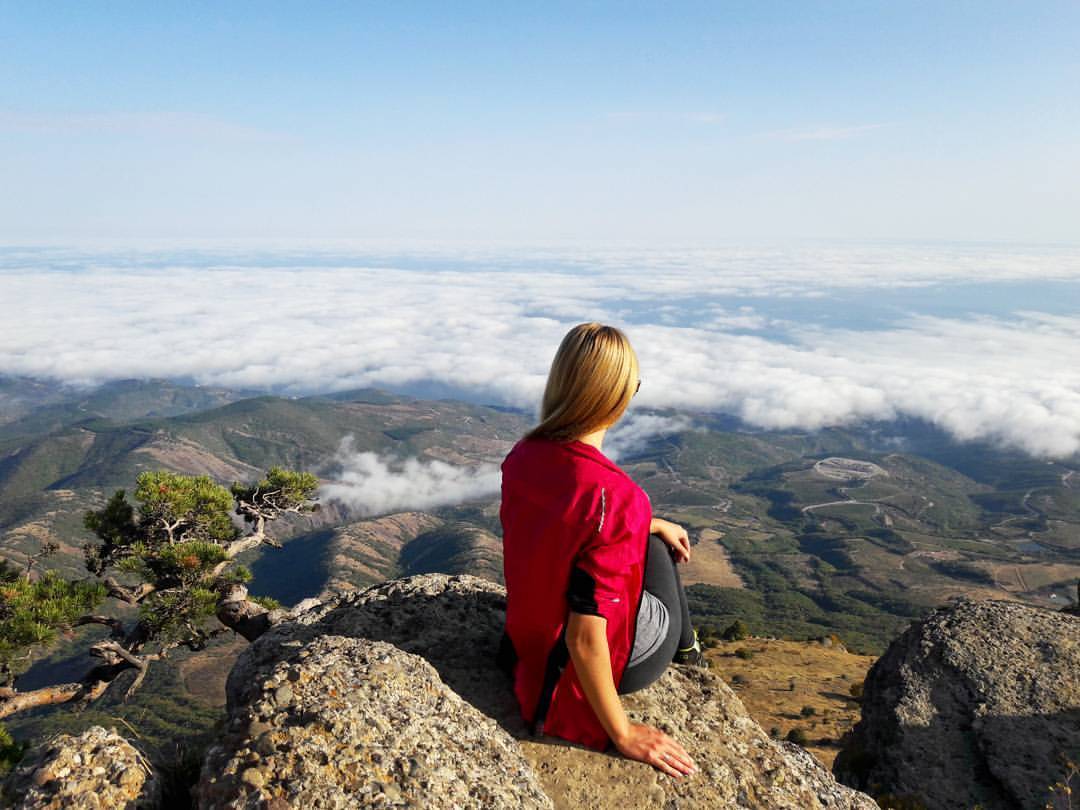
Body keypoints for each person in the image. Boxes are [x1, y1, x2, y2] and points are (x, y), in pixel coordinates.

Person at [498, 321, 705, 780]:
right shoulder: (619, 497)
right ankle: (688, 651)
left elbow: (561, 523)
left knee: (652, 534)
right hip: (606, 664)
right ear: (617, 396)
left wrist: (645, 524)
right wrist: (623, 732)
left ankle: (690, 647)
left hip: (526, 638)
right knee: (660, 554)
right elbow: (585, 638)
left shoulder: (522, 457)